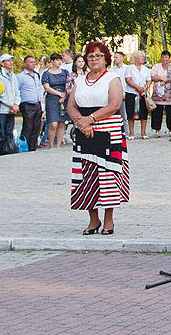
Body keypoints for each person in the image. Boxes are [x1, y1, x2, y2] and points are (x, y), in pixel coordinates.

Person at [67, 41, 128, 235]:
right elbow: (70, 106)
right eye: (90, 56)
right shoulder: (80, 80)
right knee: (86, 176)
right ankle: (93, 220)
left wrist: (90, 119)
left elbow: (114, 104)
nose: (94, 59)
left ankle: (109, 219)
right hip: (83, 131)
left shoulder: (112, 78)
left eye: (98, 56)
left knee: (108, 175)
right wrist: (82, 123)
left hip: (108, 130)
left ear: (106, 58)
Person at [0, 54, 20, 156]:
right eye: (8, 61)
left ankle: (7, 150)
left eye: (12, 61)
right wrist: (10, 104)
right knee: (0, 132)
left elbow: (17, 91)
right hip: (2, 109)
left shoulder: (13, 75)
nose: (11, 63)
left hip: (12, 108)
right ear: (2, 63)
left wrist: (16, 104)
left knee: (9, 131)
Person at [42, 53, 70, 149]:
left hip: (64, 98)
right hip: (52, 99)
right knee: (53, 123)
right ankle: (51, 145)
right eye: (57, 60)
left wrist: (64, 96)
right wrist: (59, 94)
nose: (59, 62)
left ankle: (58, 145)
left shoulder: (65, 72)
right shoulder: (46, 73)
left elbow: (69, 85)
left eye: (60, 60)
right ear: (52, 61)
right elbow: (47, 87)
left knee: (62, 123)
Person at [16, 56, 43, 151]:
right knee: (28, 126)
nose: (33, 63)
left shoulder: (36, 75)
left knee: (36, 127)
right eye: (30, 62)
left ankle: (33, 146)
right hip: (27, 104)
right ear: (25, 64)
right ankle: (24, 146)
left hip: (37, 103)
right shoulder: (21, 76)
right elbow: (16, 90)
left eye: (34, 62)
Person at [124, 50, 151, 139]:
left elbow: (149, 80)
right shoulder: (129, 68)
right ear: (135, 58)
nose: (142, 58)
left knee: (144, 112)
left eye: (143, 57)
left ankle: (143, 132)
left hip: (143, 93)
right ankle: (131, 133)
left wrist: (145, 87)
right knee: (130, 112)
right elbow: (128, 79)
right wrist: (136, 87)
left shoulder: (145, 69)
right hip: (132, 92)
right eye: (140, 56)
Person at [149, 50, 171, 138]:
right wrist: (160, 78)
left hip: (169, 93)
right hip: (158, 93)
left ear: (169, 58)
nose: (164, 59)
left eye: (166, 57)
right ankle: (157, 130)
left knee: (170, 112)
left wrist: (166, 80)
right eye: (163, 57)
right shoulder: (157, 66)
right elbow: (152, 76)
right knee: (157, 112)